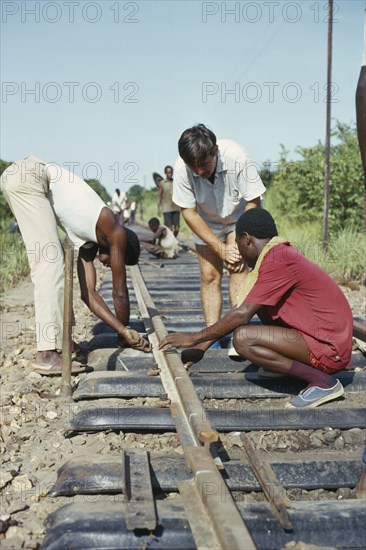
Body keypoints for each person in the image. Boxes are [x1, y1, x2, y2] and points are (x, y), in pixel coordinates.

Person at [159, 208, 353, 409]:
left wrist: (194, 338)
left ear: (246, 239)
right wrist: (202, 347)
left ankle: (323, 382)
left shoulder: (278, 259)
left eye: (238, 245)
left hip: (331, 351)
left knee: (243, 338)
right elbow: (241, 310)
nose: (240, 254)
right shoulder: (277, 254)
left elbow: (240, 316)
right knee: (258, 307)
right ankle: (287, 366)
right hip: (323, 338)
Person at [0, 156, 151, 375]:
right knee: (49, 263)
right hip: (29, 177)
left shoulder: (89, 243)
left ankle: (64, 343)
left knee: (57, 265)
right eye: (117, 261)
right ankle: (47, 355)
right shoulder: (114, 228)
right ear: (120, 248)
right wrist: (124, 333)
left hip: (27, 179)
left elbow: (87, 293)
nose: (111, 266)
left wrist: (120, 330)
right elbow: (120, 292)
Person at [172, 124, 266, 336]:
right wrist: (219, 248)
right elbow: (189, 212)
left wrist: (234, 244)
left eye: (203, 164)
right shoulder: (181, 168)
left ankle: (238, 332)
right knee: (209, 275)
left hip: (240, 217)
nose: (199, 171)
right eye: (193, 167)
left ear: (214, 151)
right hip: (205, 220)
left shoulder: (237, 157)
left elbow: (253, 202)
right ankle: (212, 333)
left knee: (237, 267)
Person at [157, 165, 180, 237]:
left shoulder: (176, 182)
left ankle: (173, 239)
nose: (169, 174)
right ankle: (170, 242)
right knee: (169, 228)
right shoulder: (162, 183)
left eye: (171, 173)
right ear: (165, 173)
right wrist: (158, 208)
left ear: (172, 173)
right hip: (166, 208)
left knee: (177, 228)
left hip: (176, 207)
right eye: (168, 173)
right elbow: (159, 196)